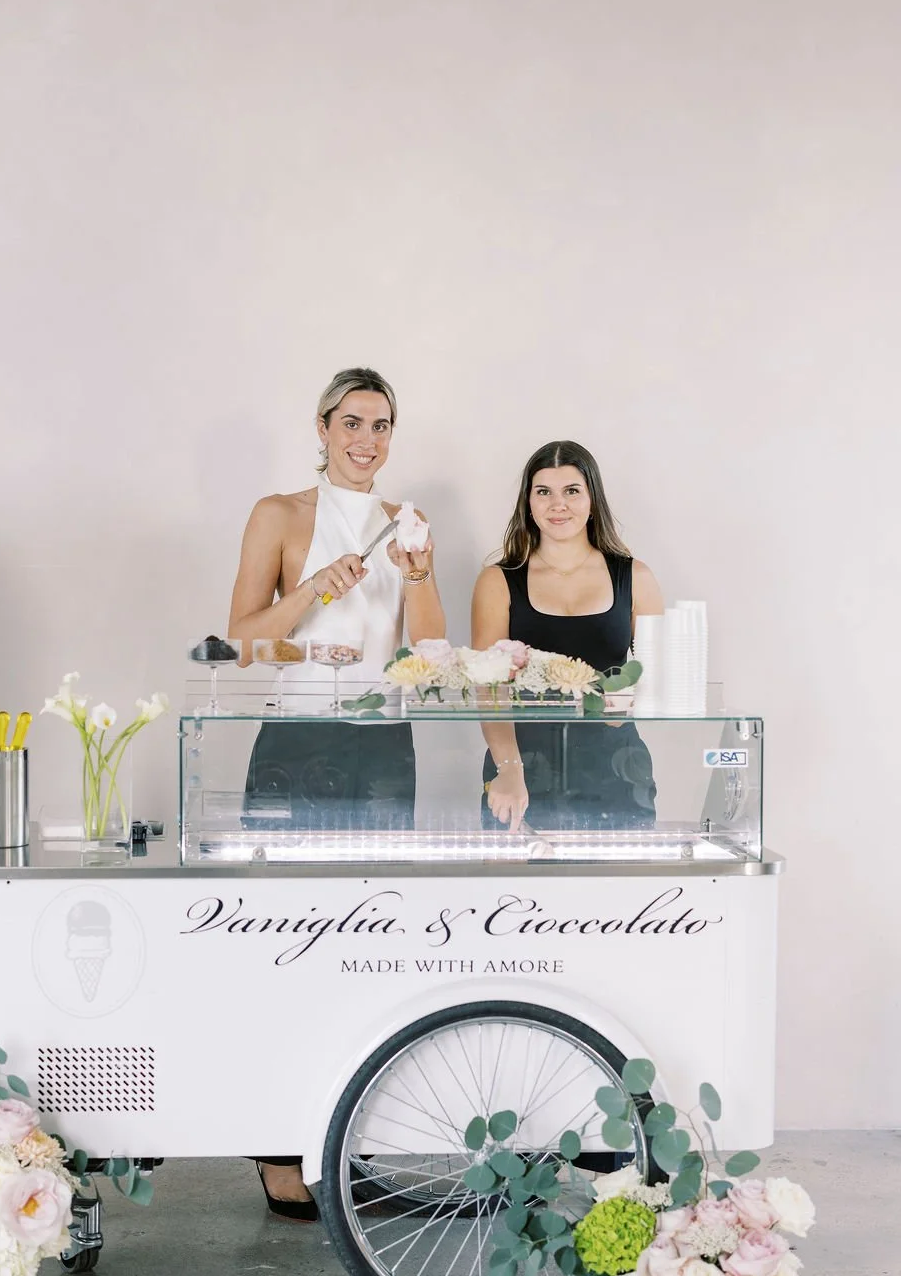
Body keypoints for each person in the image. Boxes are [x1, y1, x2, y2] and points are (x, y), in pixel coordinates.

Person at [228, 366, 446, 1219]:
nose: (367, 440)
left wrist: (419, 574)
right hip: (295, 744)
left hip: (384, 748)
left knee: (374, 949)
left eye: (382, 425)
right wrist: (315, 588)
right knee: (284, 944)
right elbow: (242, 640)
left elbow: (428, 659)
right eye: (352, 423)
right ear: (321, 428)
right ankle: (279, 1152)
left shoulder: (409, 522)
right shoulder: (279, 515)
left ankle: (351, 1143)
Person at [472, 440, 663, 833]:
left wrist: (633, 694)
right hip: (520, 768)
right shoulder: (498, 580)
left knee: (621, 895)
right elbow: (488, 688)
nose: (558, 505)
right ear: (529, 502)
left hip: (616, 766)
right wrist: (508, 769)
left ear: (593, 499)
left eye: (572, 491)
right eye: (544, 492)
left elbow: (660, 673)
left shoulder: (635, 577)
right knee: (515, 895)